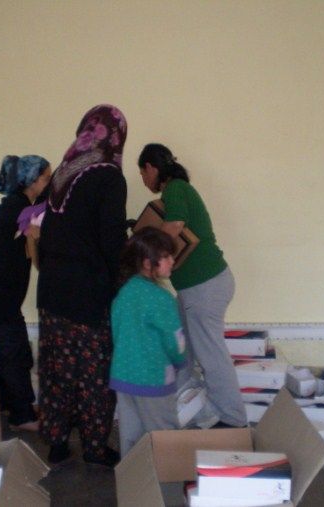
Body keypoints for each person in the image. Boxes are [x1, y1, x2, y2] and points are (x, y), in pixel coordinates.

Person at [37, 104, 128, 467]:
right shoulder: (109, 176)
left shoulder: (63, 171)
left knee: (57, 370)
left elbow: (48, 234)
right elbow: (111, 241)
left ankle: (57, 442)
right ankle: (94, 447)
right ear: (116, 135)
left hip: (51, 291)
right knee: (93, 374)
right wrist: (123, 281)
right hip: (88, 294)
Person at [137, 143, 247, 429]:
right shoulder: (177, 191)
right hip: (196, 288)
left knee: (211, 354)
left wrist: (146, 258)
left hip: (204, 286)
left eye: (143, 174)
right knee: (180, 348)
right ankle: (194, 406)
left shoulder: (175, 188)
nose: (144, 180)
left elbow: (173, 226)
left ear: (151, 167)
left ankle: (233, 419)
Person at [0, 154, 52, 431]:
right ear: (31, 181)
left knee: (11, 353)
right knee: (17, 353)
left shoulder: (18, 207)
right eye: (46, 178)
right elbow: (35, 225)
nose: (49, 184)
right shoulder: (16, 209)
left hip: (0, 298)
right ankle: (22, 416)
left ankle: (6, 404)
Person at [110, 226, 186, 456]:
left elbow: (117, 332)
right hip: (153, 377)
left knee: (130, 436)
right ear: (146, 263)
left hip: (123, 375)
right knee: (164, 435)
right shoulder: (162, 299)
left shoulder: (124, 293)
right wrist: (180, 361)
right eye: (166, 256)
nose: (172, 261)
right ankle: (167, 476)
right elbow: (174, 341)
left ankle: (133, 476)